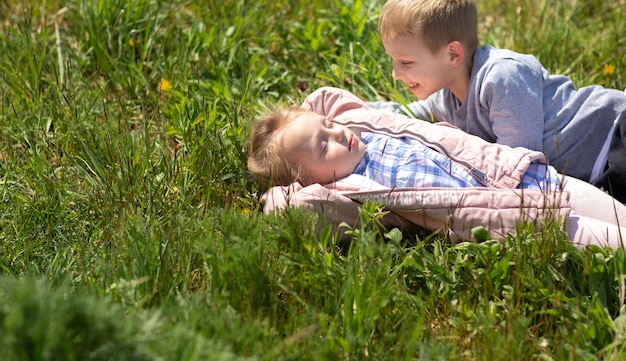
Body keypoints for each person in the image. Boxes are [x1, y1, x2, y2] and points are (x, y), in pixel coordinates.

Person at [249, 86, 626, 249]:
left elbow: (327, 100)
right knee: (612, 242)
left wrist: (299, 124)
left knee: (617, 215)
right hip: (508, 215)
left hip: (521, 172)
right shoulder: (349, 194)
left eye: (328, 127)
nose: (338, 134)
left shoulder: (368, 126)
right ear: (309, 179)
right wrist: (284, 182)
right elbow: (291, 209)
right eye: (322, 145)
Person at [369, 0, 626, 202]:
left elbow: (516, 164)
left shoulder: (501, 77)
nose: (395, 74)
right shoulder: (445, 97)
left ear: (452, 54)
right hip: (600, 170)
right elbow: (399, 114)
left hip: (614, 134)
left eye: (406, 62)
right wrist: (338, 108)